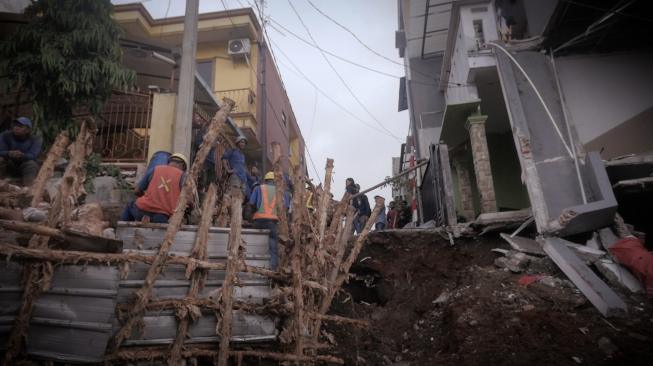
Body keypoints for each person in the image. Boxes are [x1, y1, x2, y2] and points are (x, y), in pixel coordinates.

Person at [120, 153, 188, 224]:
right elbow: (188, 201)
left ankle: (122, 229)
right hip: (163, 216)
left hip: (141, 210)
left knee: (130, 205)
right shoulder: (183, 176)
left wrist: (145, 196)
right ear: (183, 166)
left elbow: (137, 191)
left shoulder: (155, 169)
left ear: (169, 162)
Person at [249, 171, 288, 270]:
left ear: (265, 180)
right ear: (275, 181)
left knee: (254, 244)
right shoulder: (281, 191)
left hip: (258, 222)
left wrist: (253, 215)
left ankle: (252, 266)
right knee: (273, 248)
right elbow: (286, 207)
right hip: (272, 223)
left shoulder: (259, 188)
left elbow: (251, 203)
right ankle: (272, 270)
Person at [0, 117, 42, 185]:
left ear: (28, 130)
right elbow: (1, 151)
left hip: (24, 165)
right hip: (9, 164)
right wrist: (8, 153)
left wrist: (22, 155)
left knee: (32, 164)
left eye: (20, 126)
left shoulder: (35, 139)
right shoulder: (5, 135)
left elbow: (33, 155)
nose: (16, 128)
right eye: (15, 125)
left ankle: (28, 187)